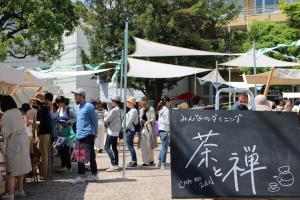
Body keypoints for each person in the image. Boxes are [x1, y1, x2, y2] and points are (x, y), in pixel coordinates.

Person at [0, 96, 32, 199]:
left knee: (11, 170)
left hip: (14, 145)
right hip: (23, 142)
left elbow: (5, 133)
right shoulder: (17, 112)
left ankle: (10, 194)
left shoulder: (7, 115)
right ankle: (20, 190)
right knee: (20, 169)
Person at [71, 88, 98, 184]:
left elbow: (95, 121)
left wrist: (96, 133)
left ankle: (85, 176)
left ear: (82, 96)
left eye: (76, 95)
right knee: (81, 155)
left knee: (86, 155)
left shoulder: (89, 106)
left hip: (88, 134)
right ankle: (92, 174)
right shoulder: (78, 107)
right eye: (74, 95)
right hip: (79, 135)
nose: (74, 97)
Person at [31, 93, 52, 179]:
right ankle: (46, 172)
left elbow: (40, 123)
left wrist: (34, 124)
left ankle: (43, 174)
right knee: (46, 154)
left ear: (37, 101)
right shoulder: (45, 109)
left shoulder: (40, 110)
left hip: (43, 133)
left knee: (43, 154)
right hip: (47, 133)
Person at [55, 96, 76, 173]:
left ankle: (69, 167)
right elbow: (53, 116)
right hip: (60, 132)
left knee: (67, 150)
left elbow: (76, 118)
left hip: (67, 132)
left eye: (58, 103)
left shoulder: (69, 110)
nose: (57, 104)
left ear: (63, 102)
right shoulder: (59, 109)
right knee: (62, 151)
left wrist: (68, 122)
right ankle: (63, 166)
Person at [104, 96, 121, 172]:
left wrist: (104, 118)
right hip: (116, 131)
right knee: (114, 147)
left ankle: (113, 164)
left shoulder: (114, 110)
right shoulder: (119, 110)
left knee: (107, 147)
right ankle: (116, 164)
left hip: (112, 131)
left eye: (112, 101)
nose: (111, 102)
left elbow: (107, 119)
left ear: (115, 101)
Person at [140, 96, 156, 166]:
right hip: (142, 129)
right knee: (143, 146)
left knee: (149, 145)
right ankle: (145, 161)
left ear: (147, 103)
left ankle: (151, 160)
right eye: (142, 104)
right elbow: (140, 118)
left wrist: (148, 121)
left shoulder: (151, 109)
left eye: (145, 104)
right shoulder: (141, 110)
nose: (143, 105)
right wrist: (141, 120)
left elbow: (153, 118)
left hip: (149, 129)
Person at [156, 96, 171, 170]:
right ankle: (163, 164)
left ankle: (159, 162)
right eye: (170, 102)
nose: (170, 103)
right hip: (166, 130)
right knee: (165, 148)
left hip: (161, 130)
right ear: (167, 102)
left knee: (163, 147)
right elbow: (167, 122)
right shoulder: (167, 111)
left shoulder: (160, 110)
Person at [125, 97, 139, 167]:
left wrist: (125, 128)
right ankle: (133, 160)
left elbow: (130, 121)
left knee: (130, 146)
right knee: (130, 146)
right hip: (129, 129)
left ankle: (134, 161)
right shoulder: (131, 110)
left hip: (130, 130)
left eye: (128, 102)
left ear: (131, 103)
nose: (127, 103)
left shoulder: (133, 111)